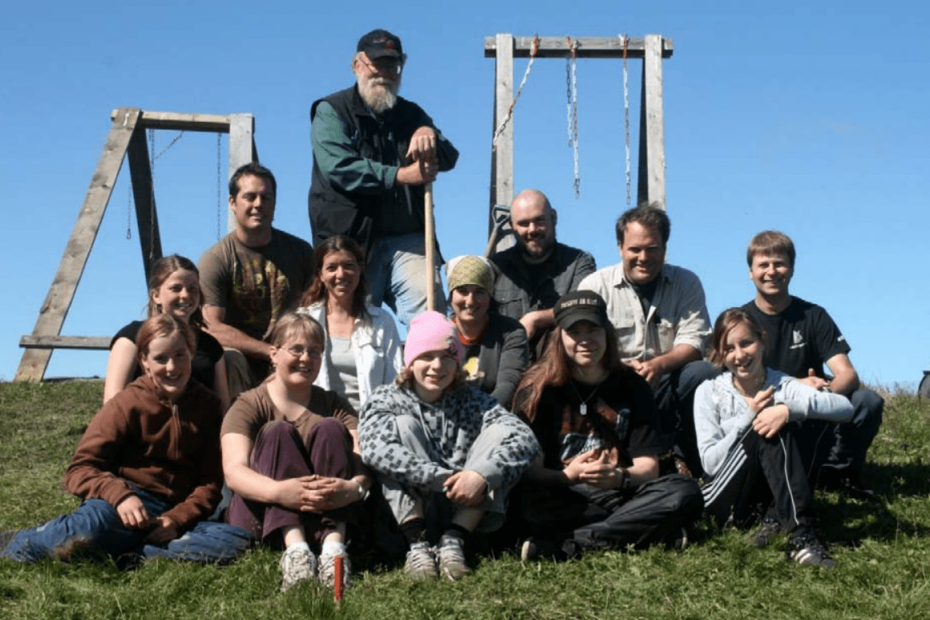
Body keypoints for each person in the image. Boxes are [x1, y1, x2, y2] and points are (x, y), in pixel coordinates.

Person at [0, 315, 252, 565]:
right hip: (120, 506)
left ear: (191, 353)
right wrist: (120, 496)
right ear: (144, 361)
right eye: (160, 358)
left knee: (237, 541)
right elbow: (79, 469)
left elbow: (210, 482)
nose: (172, 367)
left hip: (174, 514)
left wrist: (177, 519)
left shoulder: (209, 407)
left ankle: (123, 552)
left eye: (180, 355)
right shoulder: (126, 403)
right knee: (90, 528)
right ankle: (18, 542)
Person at [511, 291, 703, 561]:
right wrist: (569, 476)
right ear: (559, 337)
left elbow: (648, 467)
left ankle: (570, 545)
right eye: (574, 331)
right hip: (563, 493)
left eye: (594, 329)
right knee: (521, 501)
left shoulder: (632, 385)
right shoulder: (538, 390)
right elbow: (531, 471)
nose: (585, 340)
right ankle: (645, 531)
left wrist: (618, 477)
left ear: (607, 333)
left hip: (621, 492)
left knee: (684, 491)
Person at [358, 311, 539, 581]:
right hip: (408, 512)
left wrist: (480, 476)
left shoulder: (474, 401)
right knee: (403, 426)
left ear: (458, 364)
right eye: (427, 356)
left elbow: (526, 439)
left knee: (501, 432)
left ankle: (453, 542)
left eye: (447, 357)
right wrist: (443, 479)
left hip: (465, 509)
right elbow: (374, 448)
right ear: (410, 360)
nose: (437, 366)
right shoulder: (386, 398)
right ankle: (417, 547)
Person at [308, 28, 459, 326]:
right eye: (376, 64)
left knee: (431, 313)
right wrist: (401, 175)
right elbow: (339, 168)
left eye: (392, 65)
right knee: (352, 325)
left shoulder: (412, 114)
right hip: (353, 242)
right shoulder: (331, 111)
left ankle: (428, 369)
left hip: (408, 238)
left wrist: (429, 134)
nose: (384, 73)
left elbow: (449, 157)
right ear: (356, 65)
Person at [220, 313, 369, 592]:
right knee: (277, 432)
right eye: (296, 349)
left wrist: (353, 488)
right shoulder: (248, 404)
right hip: (264, 517)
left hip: (323, 516)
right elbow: (234, 472)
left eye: (315, 351)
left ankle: (334, 552)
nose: (306, 358)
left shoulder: (333, 403)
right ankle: (296, 551)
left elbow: (361, 462)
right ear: (274, 354)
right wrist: (279, 492)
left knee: (330, 428)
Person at [695, 308, 854, 567]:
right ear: (720, 354)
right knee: (764, 423)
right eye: (729, 348)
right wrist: (750, 415)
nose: (739, 355)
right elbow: (710, 464)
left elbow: (845, 408)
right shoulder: (708, 391)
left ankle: (777, 519)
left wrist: (789, 410)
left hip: (767, 495)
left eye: (746, 343)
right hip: (725, 496)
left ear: (762, 342)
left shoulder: (784, 384)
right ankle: (801, 535)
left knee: (800, 417)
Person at [741, 231, 884, 497]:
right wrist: (795, 386)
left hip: (814, 412)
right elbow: (736, 385)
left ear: (792, 269)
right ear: (751, 271)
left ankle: (839, 474)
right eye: (763, 264)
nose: (772, 271)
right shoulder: (740, 321)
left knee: (867, 401)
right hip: (768, 414)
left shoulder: (814, 315)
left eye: (779, 264)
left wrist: (815, 397)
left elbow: (847, 374)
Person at [579, 203, 716, 477]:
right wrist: (617, 366)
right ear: (620, 247)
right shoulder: (595, 287)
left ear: (665, 248)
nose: (644, 257)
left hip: (665, 384)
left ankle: (687, 458)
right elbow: (579, 346)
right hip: (612, 385)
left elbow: (695, 342)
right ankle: (609, 456)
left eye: (652, 249)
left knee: (704, 372)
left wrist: (659, 365)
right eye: (635, 249)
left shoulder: (687, 283)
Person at [200, 163, 315, 399]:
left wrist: (289, 355)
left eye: (266, 197)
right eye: (250, 197)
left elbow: (317, 309)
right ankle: (233, 431)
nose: (258, 205)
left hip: (293, 356)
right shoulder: (216, 259)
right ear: (233, 202)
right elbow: (212, 327)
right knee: (230, 359)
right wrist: (269, 352)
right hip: (242, 362)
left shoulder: (301, 252)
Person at [104, 254, 230, 412]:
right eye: (176, 288)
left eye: (193, 288)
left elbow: (223, 408)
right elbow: (112, 401)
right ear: (155, 296)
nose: (185, 295)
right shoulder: (131, 338)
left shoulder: (211, 346)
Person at [297, 235, 404, 411]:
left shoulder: (382, 322)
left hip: (372, 426)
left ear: (360, 269)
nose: (340, 274)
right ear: (320, 274)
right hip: (320, 425)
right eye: (331, 268)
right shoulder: (304, 321)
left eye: (348, 266)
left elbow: (396, 382)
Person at [490, 189, 596, 358]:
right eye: (524, 223)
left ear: (554, 218)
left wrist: (537, 318)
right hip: (508, 369)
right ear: (512, 226)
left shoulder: (579, 262)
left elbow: (585, 307)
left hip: (562, 371)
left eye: (539, 220)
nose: (532, 230)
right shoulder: (495, 267)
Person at [446, 254, 528, 408]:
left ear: (490, 296)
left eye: (480, 292)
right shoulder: (439, 334)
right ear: (451, 296)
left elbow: (508, 386)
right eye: (462, 291)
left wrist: (479, 417)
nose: (470, 301)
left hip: (495, 416)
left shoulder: (511, 332)